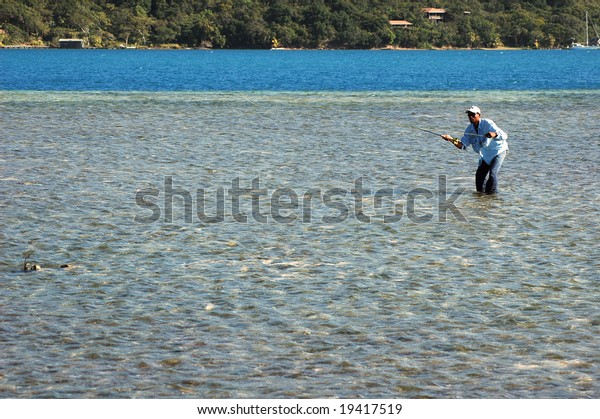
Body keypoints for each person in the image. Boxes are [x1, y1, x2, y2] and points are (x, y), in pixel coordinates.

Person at [441, 106, 508, 194]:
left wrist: (494, 134)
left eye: (473, 114)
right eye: (469, 115)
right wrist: (450, 139)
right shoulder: (469, 129)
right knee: (479, 175)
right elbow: (462, 145)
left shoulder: (487, 123)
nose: (470, 117)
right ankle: (481, 198)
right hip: (485, 154)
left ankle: (492, 196)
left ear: (479, 115)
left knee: (492, 173)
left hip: (498, 151)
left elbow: (504, 136)